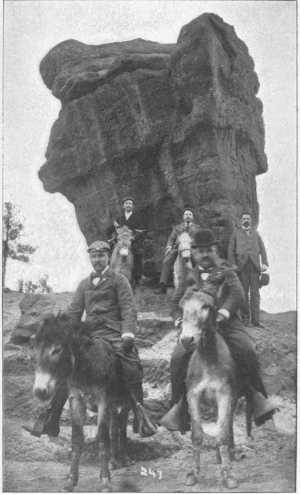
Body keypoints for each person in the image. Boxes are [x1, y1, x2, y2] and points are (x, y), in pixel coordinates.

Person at [23, 240, 154, 438]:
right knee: (65, 367)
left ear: (108, 257)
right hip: (89, 336)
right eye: (94, 256)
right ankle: (51, 420)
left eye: (101, 256)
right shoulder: (84, 285)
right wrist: (55, 332)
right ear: (90, 258)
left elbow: (129, 309)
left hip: (115, 335)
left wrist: (128, 333)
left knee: (132, 364)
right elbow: (73, 314)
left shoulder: (119, 280)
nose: (97, 260)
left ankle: (140, 416)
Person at [159, 229, 276, 433]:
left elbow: (238, 294)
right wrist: (180, 321)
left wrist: (222, 313)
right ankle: (179, 407)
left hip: (227, 325)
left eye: (208, 250)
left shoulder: (227, 271)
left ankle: (257, 398)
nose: (204, 255)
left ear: (215, 250)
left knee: (247, 349)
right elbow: (175, 302)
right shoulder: (189, 275)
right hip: (197, 328)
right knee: (177, 358)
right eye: (200, 251)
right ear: (193, 253)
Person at [228, 212, 268, 328]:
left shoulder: (256, 234)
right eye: (244, 218)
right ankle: (245, 319)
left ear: (251, 221)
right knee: (243, 293)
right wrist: (233, 265)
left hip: (255, 267)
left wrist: (264, 263)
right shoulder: (236, 233)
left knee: (255, 294)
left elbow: (263, 249)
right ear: (241, 221)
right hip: (242, 267)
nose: (246, 220)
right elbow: (231, 250)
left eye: (248, 218)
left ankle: (256, 320)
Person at [157, 208, 200, 294]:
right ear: (183, 216)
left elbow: (199, 239)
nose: (188, 216)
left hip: (191, 248)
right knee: (166, 261)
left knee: (198, 262)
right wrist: (169, 247)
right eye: (186, 214)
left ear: (192, 217)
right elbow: (171, 238)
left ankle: (198, 284)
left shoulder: (197, 228)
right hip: (178, 248)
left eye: (190, 214)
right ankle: (162, 285)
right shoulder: (177, 228)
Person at [107, 197, 144, 286]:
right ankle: (109, 272)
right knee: (110, 250)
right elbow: (109, 229)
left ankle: (137, 277)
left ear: (132, 206)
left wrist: (135, 238)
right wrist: (110, 238)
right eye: (126, 203)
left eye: (130, 203)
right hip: (120, 240)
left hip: (131, 240)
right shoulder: (119, 219)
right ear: (123, 206)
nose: (128, 205)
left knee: (137, 253)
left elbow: (141, 231)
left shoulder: (137, 218)